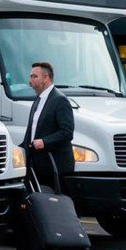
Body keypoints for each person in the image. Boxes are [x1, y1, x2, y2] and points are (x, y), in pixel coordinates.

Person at [21, 62, 75, 191]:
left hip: (54, 168)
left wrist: (44, 142)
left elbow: (67, 132)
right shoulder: (37, 100)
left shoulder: (60, 100)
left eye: (34, 77)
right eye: (30, 77)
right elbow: (31, 134)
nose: (30, 81)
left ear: (46, 78)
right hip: (36, 167)